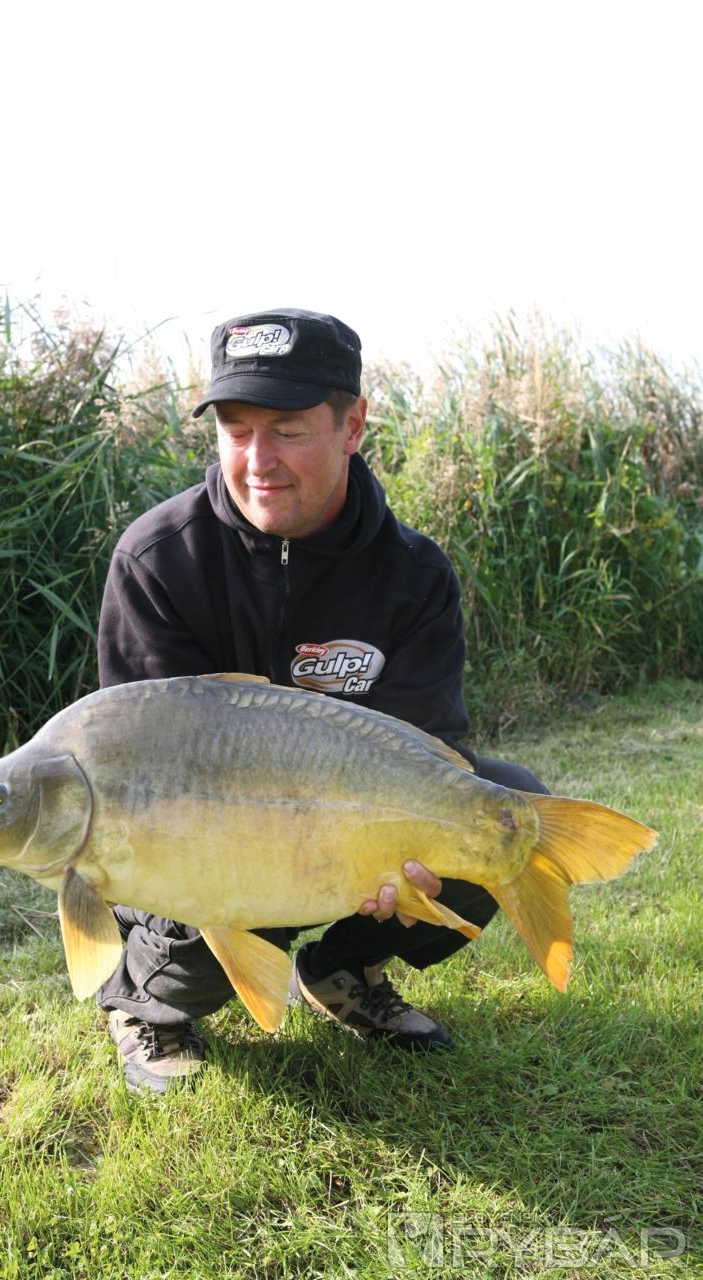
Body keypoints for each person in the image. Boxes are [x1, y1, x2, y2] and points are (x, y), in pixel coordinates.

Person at [96, 308, 547, 1094]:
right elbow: (138, 773)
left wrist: (398, 860)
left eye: (288, 430)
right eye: (236, 431)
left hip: (355, 833)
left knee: (504, 809)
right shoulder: (157, 560)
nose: (257, 460)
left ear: (351, 426)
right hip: (203, 838)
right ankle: (148, 1006)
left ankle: (342, 970)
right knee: (215, 926)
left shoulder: (414, 575)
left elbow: (430, 745)